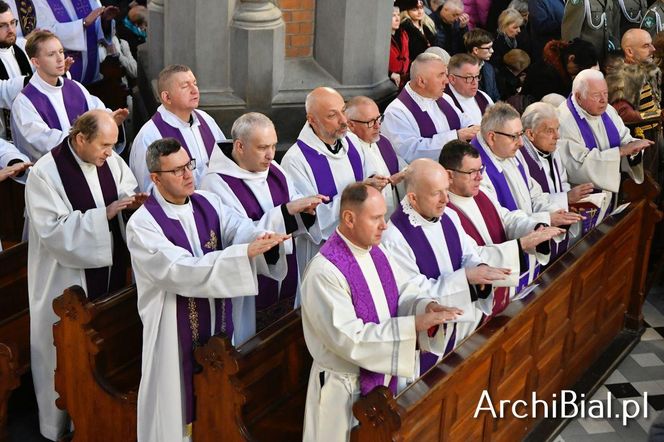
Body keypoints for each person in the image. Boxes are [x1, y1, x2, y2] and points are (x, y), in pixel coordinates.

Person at [126, 138, 290, 442]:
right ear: (155, 178)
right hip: (171, 328)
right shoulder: (143, 224)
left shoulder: (206, 201)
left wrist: (259, 237)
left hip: (217, 321)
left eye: (189, 165)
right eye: (176, 171)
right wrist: (242, 255)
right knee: (177, 404)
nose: (188, 174)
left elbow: (235, 227)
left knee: (217, 393)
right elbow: (178, 270)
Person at [300, 182, 461, 442]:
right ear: (349, 218)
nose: (384, 225)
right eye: (376, 218)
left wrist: (425, 306)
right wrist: (413, 326)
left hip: (382, 380)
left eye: (384, 216)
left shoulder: (377, 252)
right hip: (344, 392)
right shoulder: (325, 272)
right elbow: (349, 338)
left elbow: (400, 295)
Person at [25, 110, 144, 440]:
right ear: (80, 139)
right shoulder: (46, 174)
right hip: (64, 279)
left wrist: (130, 203)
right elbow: (53, 231)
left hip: (110, 272)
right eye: (105, 145)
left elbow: (126, 186)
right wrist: (102, 215)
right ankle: (57, 426)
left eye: (113, 145)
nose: (110, 153)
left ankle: (97, 416)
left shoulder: (109, 161)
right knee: (62, 351)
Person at [201, 112, 327, 343]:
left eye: (273, 146)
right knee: (254, 347)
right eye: (262, 147)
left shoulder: (274, 170)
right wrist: (285, 213)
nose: (270, 155)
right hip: (250, 287)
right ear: (239, 146)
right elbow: (235, 235)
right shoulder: (215, 183)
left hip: (287, 276)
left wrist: (306, 209)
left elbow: (293, 201)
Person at [382, 158, 516, 372]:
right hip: (431, 344)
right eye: (436, 193)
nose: (446, 199)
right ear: (413, 199)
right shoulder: (394, 238)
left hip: (465, 327)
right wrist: (466, 278)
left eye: (446, 190)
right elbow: (412, 295)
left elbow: (468, 254)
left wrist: (479, 269)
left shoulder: (449, 215)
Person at [470, 102, 582, 287]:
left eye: (521, 134)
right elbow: (500, 220)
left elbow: (533, 192)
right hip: (507, 256)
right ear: (491, 137)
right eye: (515, 136)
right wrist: (542, 221)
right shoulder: (477, 172)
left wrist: (554, 213)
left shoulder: (513, 151)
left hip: (531, 237)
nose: (521, 143)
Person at [280, 87, 387, 276]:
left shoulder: (352, 142)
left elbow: (372, 177)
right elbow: (312, 220)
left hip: (361, 240)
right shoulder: (296, 160)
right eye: (332, 115)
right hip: (323, 252)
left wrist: (374, 184)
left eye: (343, 111)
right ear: (312, 120)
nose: (343, 121)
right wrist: (360, 191)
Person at [440, 140, 564, 293]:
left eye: (481, 169)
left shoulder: (482, 192)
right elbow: (471, 257)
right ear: (449, 175)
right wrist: (521, 245)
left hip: (509, 286)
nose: (479, 177)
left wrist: (534, 227)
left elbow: (506, 218)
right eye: (472, 172)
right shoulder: (443, 213)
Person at [557, 68, 653, 232]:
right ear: (578, 96)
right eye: (596, 95)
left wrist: (634, 148)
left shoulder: (607, 110)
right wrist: (621, 152)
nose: (603, 100)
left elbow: (624, 138)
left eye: (605, 93)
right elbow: (577, 166)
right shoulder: (564, 120)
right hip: (582, 201)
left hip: (610, 194)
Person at [11, 30, 128, 162]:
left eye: (61, 51)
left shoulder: (75, 87)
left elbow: (97, 111)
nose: (60, 58)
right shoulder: (25, 102)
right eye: (51, 54)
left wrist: (108, 120)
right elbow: (42, 141)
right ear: (36, 62)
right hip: (52, 174)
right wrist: (87, 137)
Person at [130, 64, 225, 191]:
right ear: (167, 97)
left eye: (195, 83)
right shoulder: (150, 135)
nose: (194, 90)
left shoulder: (206, 120)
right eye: (185, 86)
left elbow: (225, 161)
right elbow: (150, 190)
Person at [520, 102, 593, 256]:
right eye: (549, 131)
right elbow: (528, 203)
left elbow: (563, 181)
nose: (557, 136)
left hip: (560, 223)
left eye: (557, 129)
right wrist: (565, 198)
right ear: (530, 134)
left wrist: (573, 199)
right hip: (539, 235)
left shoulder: (552, 149)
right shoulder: (520, 159)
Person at [382, 52, 478, 163]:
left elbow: (462, 119)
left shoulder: (445, 98)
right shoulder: (396, 112)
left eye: (446, 74)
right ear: (421, 81)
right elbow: (410, 152)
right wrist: (455, 137)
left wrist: (472, 129)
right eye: (440, 75)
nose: (446, 81)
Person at [608, 28, 662, 184]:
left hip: (655, 134)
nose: (653, 50)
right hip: (638, 139)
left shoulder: (648, 70)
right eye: (646, 46)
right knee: (646, 185)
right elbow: (623, 114)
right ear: (630, 52)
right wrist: (658, 114)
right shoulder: (622, 77)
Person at [346, 95, 408, 217]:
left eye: (379, 118)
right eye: (370, 122)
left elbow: (400, 166)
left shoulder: (383, 141)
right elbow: (352, 195)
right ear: (351, 125)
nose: (377, 126)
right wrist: (390, 182)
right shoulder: (347, 152)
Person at [32, 0, 118, 84]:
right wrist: (83, 24)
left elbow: (98, 28)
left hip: (93, 71)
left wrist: (104, 20)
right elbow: (45, 34)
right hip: (65, 75)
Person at [522, 38, 599, 101]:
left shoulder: (562, 67)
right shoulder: (545, 74)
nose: (579, 74)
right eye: (579, 69)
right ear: (571, 58)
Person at [0, 1, 34, 141]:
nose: (11, 30)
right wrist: (35, 80)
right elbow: (2, 91)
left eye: (13, 22)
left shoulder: (22, 46)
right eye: (2, 26)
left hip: (30, 130)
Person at [445, 53, 493, 125]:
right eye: (469, 77)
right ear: (452, 79)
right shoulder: (442, 101)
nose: (475, 82)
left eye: (476, 76)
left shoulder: (484, 97)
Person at [464, 28, 501, 102]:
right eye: (488, 48)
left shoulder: (489, 68)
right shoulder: (462, 70)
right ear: (476, 50)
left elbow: (495, 95)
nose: (492, 51)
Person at [390, 2, 410, 89]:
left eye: (398, 15)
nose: (397, 19)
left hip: (404, 81)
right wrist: (389, 74)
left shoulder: (404, 34)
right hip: (391, 82)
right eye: (393, 15)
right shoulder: (381, 37)